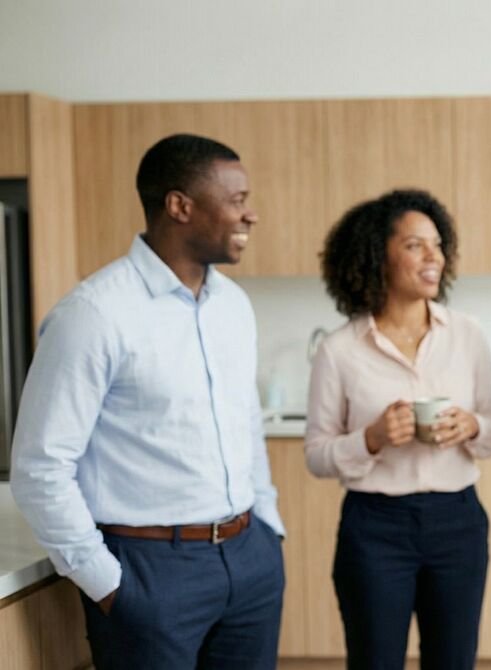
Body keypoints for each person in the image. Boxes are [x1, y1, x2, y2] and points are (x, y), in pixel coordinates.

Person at [10, 133, 286, 669]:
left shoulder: (234, 305)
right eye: (236, 200)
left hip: (250, 559)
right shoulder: (93, 315)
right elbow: (40, 466)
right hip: (149, 571)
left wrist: (267, 529)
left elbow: (245, 423)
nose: (250, 215)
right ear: (180, 206)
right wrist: (107, 584)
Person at [306, 188, 491, 670]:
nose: (433, 256)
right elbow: (316, 453)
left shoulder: (468, 333)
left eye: (437, 245)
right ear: (377, 255)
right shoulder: (339, 349)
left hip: (458, 522)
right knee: (374, 660)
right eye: (415, 245)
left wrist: (470, 425)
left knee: (454, 661)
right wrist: (370, 439)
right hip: (375, 528)